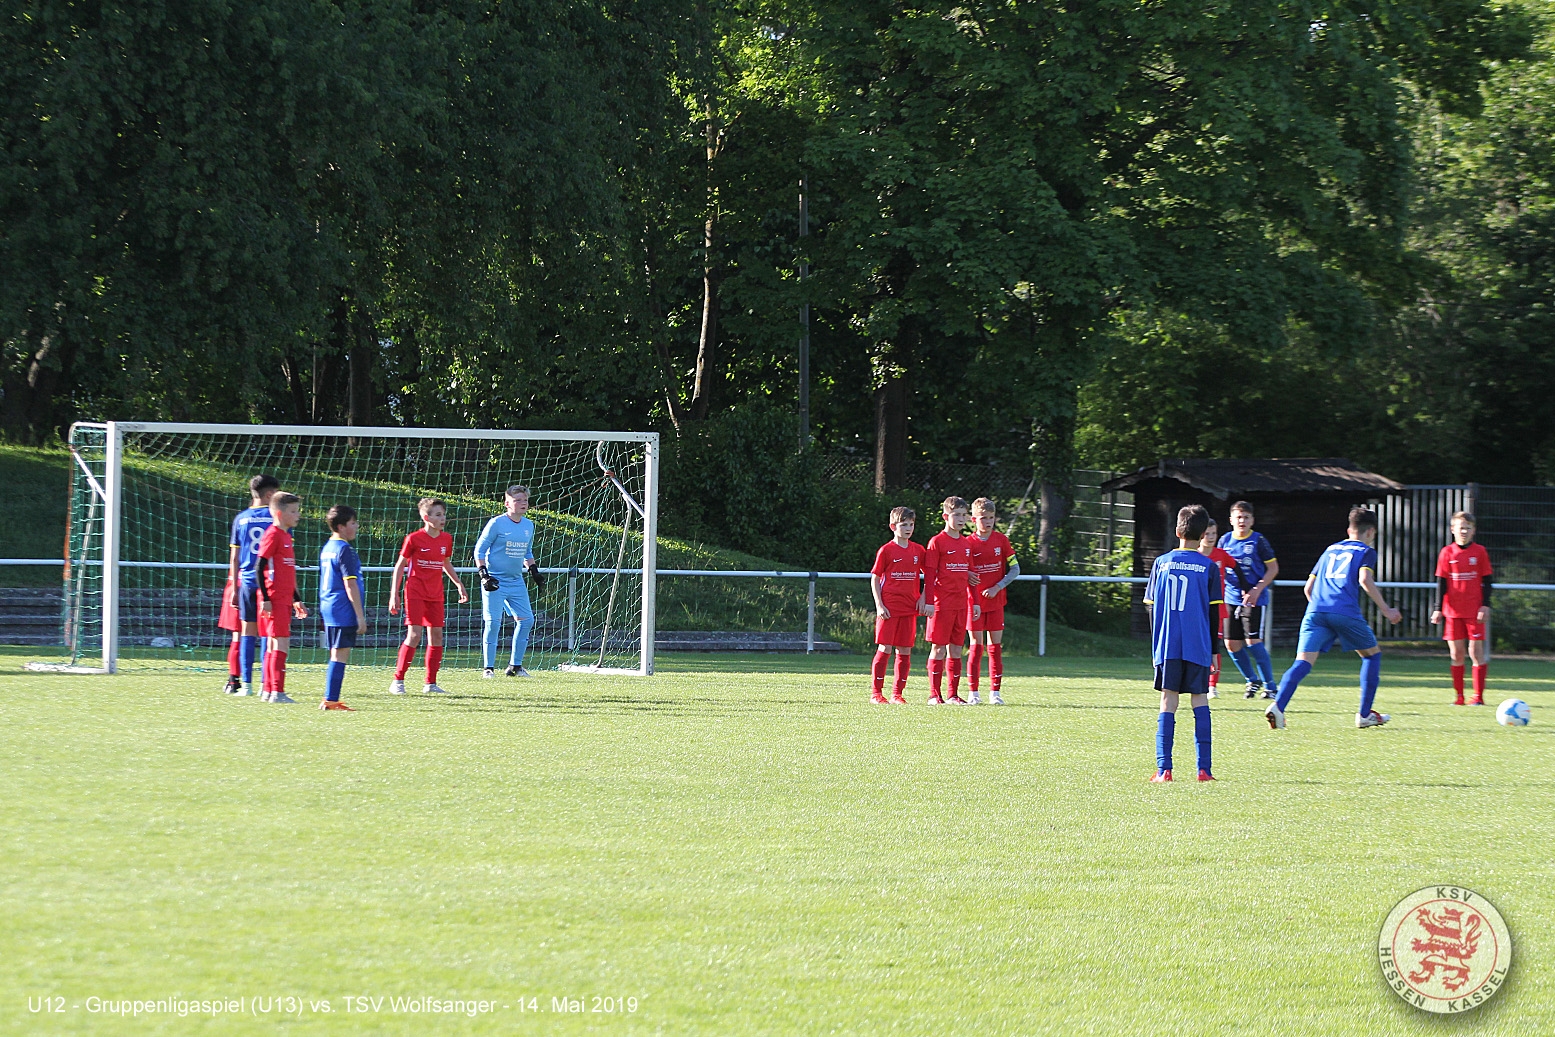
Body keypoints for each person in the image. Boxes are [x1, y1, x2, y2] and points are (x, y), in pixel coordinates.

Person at [1265, 507, 1402, 731]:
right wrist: (1386, 610)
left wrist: (1323, 611)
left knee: (1302, 662)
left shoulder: (1330, 549)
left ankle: (1278, 706)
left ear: (1349, 530)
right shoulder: (1366, 551)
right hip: (1344, 610)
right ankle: (1365, 714)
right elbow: (1365, 579)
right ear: (1370, 532)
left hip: (1316, 611)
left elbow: (1308, 588)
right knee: (1371, 655)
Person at [1142, 505, 1223, 782]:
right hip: (1198, 644)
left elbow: (1150, 606)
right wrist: (1214, 650)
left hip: (1168, 645)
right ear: (1202, 535)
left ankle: (1164, 769)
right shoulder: (1208, 567)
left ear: (1177, 531)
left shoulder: (1161, 563)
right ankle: (1204, 770)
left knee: (1168, 700)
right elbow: (1213, 612)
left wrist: (1158, 641)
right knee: (1199, 699)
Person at [388, 498, 468, 695]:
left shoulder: (446, 539)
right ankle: (398, 681)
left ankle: (430, 684)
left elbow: (445, 562)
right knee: (415, 635)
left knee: (437, 635)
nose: (443, 518)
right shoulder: (414, 539)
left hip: (436, 594)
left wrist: (458, 584)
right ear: (426, 517)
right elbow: (400, 566)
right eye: (438, 515)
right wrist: (394, 594)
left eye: (444, 514)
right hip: (415, 592)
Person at [473, 485, 546, 679]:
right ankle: (488, 668)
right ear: (507, 504)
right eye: (517, 500)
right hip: (495, 580)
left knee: (527, 620)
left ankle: (515, 666)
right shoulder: (496, 523)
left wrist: (534, 571)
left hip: (516, 581)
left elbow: (527, 552)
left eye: (525, 500)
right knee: (493, 623)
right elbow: (479, 550)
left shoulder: (528, 525)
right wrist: (484, 575)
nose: (523, 503)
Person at [224, 474, 280, 696]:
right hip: (269, 581)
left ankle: (245, 685)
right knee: (268, 632)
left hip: (246, 581)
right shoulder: (277, 517)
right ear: (269, 494)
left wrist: (234, 588)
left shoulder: (241, 518)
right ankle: (266, 685)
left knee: (247, 631)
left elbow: (234, 558)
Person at [1217, 501, 1280, 698]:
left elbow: (1273, 568)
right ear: (1231, 520)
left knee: (1253, 641)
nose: (1242, 521)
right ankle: (1252, 680)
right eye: (1238, 517)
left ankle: (1270, 687)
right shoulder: (1225, 541)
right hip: (1231, 597)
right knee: (1231, 644)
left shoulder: (1258, 541)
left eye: (1246, 517)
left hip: (1254, 599)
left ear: (1252, 520)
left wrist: (1257, 589)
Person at [1430, 512, 1494, 706]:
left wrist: (1485, 604)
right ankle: (1459, 697)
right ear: (1453, 529)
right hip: (1452, 611)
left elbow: (1488, 581)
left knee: (1475, 652)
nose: (1464, 531)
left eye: (1468, 528)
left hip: (1474, 611)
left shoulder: (1480, 552)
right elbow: (1441, 582)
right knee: (1456, 654)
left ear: (1473, 531)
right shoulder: (1446, 552)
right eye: (1461, 528)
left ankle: (1478, 697)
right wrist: (1438, 609)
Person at [923, 496, 979, 705]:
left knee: (956, 649)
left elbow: (971, 574)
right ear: (946, 516)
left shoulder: (966, 543)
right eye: (957, 515)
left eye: (964, 515)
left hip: (960, 604)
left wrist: (975, 601)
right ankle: (934, 695)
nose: (961, 519)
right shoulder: (937, 542)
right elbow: (930, 575)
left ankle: (953, 694)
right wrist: (929, 602)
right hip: (941, 604)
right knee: (938, 648)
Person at [254, 492, 308, 703]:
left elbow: (287, 572)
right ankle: (277, 691)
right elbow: (259, 567)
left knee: (273, 643)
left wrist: (296, 598)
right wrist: (266, 598)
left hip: (284, 597)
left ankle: (269, 690)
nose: (298, 515)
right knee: (280, 643)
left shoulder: (286, 536)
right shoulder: (273, 534)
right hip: (275, 597)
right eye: (293, 511)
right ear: (279, 514)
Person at [869, 506, 926, 704]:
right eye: (904, 525)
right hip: (889, 607)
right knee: (885, 648)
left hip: (910, 608)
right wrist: (879, 605)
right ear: (893, 526)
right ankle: (876, 693)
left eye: (911, 524)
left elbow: (930, 575)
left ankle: (897, 694)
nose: (908, 528)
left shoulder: (918, 550)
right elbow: (875, 578)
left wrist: (923, 598)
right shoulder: (886, 550)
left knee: (905, 650)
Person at [965, 497, 1019, 705]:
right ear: (973, 519)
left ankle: (995, 693)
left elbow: (1015, 569)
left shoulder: (1001, 541)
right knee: (976, 646)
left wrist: (998, 587)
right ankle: (973, 693)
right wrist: (967, 576)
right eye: (983, 518)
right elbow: (959, 570)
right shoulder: (968, 543)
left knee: (995, 647)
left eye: (991, 518)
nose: (988, 522)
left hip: (996, 602)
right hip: (974, 603)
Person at [318, 505, 367, 711]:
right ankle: (330, 700)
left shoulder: (328, 547)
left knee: (336, 653)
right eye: (352, 523)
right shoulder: (344, 549)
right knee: (340, 654)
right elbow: (350, 584)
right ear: (341, 527)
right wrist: (360, 616)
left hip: (329, 606)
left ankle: (330, 698)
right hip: (343, 608)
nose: (356, 526)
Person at [1196, 518, 1249, 699]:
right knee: (1198, 645)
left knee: (1214, 646)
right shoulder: (1195, 556)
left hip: (1217, 608)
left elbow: (1236, 568)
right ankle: (1197, 680)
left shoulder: (1221, 555)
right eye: (1207, 533)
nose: (1211, 537)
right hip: (1198, 609)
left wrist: (1245, 587)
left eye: (1214, 533)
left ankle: (1212, 686)